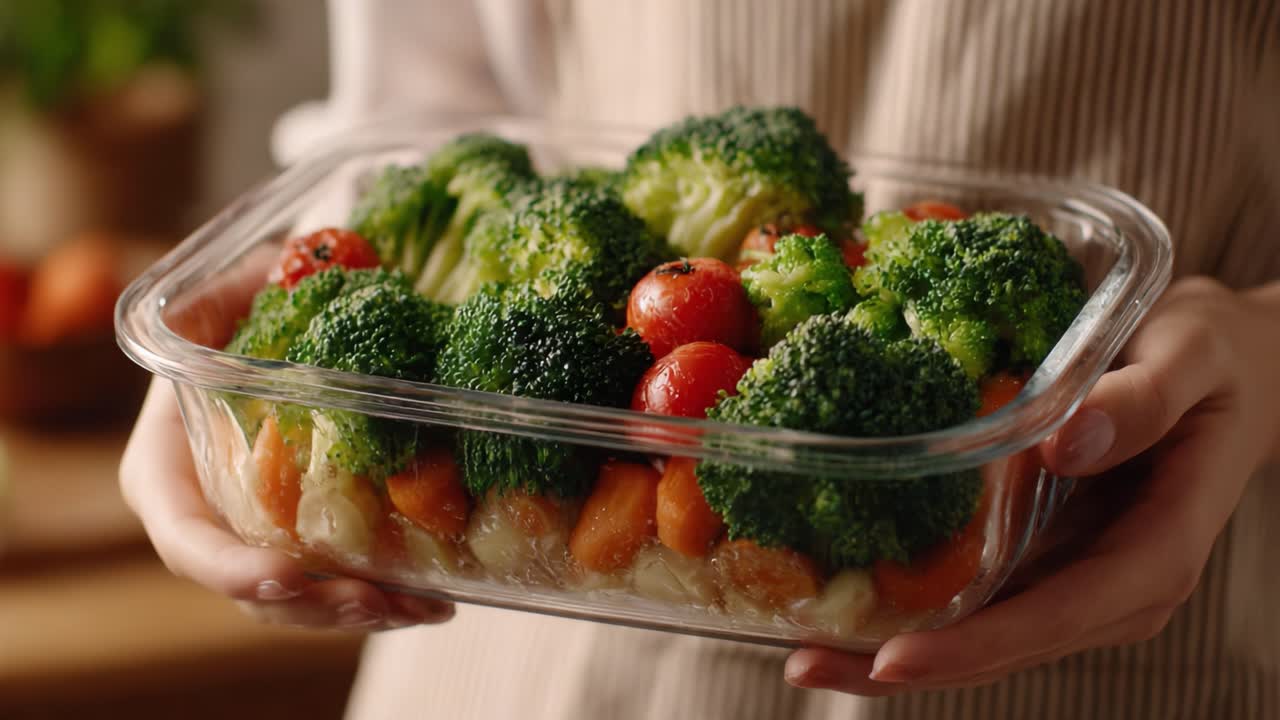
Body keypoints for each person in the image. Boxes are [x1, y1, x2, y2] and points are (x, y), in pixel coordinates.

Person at [120, 1, 1280, 718]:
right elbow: (426, 119)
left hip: (1130, 589)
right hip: (519, 643)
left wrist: (1260, 347)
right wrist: (268, 325)